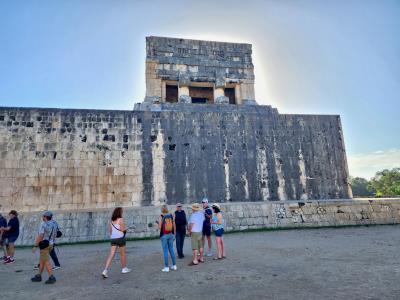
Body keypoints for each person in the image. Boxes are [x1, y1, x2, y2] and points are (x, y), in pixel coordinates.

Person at [102, 207, 131, 278]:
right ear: (119, 212)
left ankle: (105, 270)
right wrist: (127, 229)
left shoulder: (111, 221)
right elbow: (123, 229)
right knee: (122, 254)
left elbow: (110, 231)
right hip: (120, 238)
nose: (122, 213)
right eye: (122, 212)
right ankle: (124, 268)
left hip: (113, 239)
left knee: (111, 254)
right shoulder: (120, 219)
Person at [31, 211, 57, 284]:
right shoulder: (54, 223)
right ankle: (39, 275)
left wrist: (35, 246)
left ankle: (52, 277)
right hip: (51, 244)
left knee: (46, 261)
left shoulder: (43, 224)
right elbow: (57, 234)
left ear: (45, 217)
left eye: (43, 216)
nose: (42, 217)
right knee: (42, 260)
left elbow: (40, 236)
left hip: (45, 245)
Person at [157, 204, 177, 272]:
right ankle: (174, 265)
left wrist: (157, 224)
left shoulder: (161, 216)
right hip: (171, 234)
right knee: (171, 250)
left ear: (162, 209)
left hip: (164, 235)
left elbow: (160, 227)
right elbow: (174, 225)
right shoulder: (171, 215)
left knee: (165, 251)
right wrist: (174, 234)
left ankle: (166, 267)